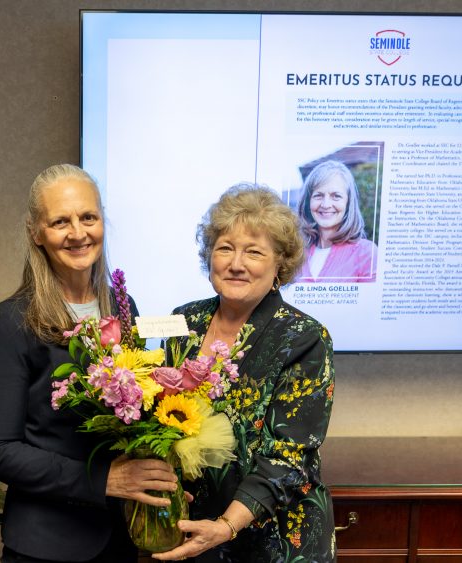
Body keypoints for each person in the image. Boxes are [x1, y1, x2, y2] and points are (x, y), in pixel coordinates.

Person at [0, 163, 179, 563]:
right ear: (37, 233)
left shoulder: (122, 305)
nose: (78, 233)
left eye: (88, 217)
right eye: (60, 222)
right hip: (47, 546)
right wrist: (103, 480)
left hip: (118, 539)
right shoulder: (13, 319)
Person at [154, 184, 336, 562]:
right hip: (194, 531)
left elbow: (289, 456)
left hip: (275, 540)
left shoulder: (303, 338)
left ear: (279, 265)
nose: (236, 263)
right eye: (225, 248)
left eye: (254, 252)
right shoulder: (184, 320)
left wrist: (226, 525)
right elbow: (160, 417)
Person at [294, 159, 377, 282]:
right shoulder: (295, 253)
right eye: (318, 195)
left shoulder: (367, 253)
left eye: (336, 196)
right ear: (308, 202)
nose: (326, 204)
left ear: (348, 203)